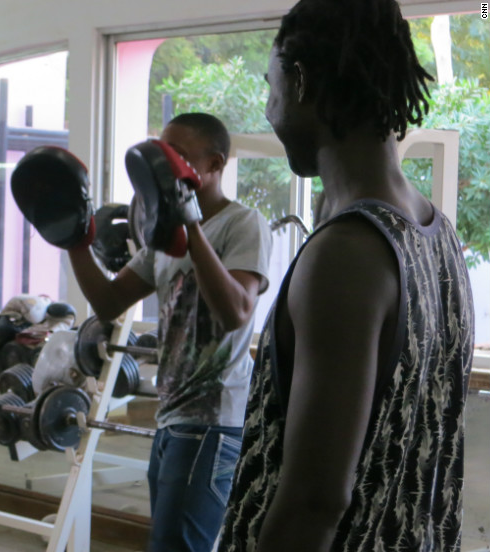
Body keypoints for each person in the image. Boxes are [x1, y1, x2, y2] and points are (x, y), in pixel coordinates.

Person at [217, 0, 475, 550]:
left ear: (301, 81)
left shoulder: (347, 255)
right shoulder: (439, 234)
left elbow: (316, 501)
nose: (267, 108)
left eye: (271, 85)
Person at [71, 113, 273, 551]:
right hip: (172, 417)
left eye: (178, 156)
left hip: (213, 422)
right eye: (163, 155)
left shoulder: (243, 224)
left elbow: (236, 310)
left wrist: (192, 225)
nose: (166, 167)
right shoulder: (163, 236)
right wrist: (75, 242)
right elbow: (108, 303)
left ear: (215, 164)